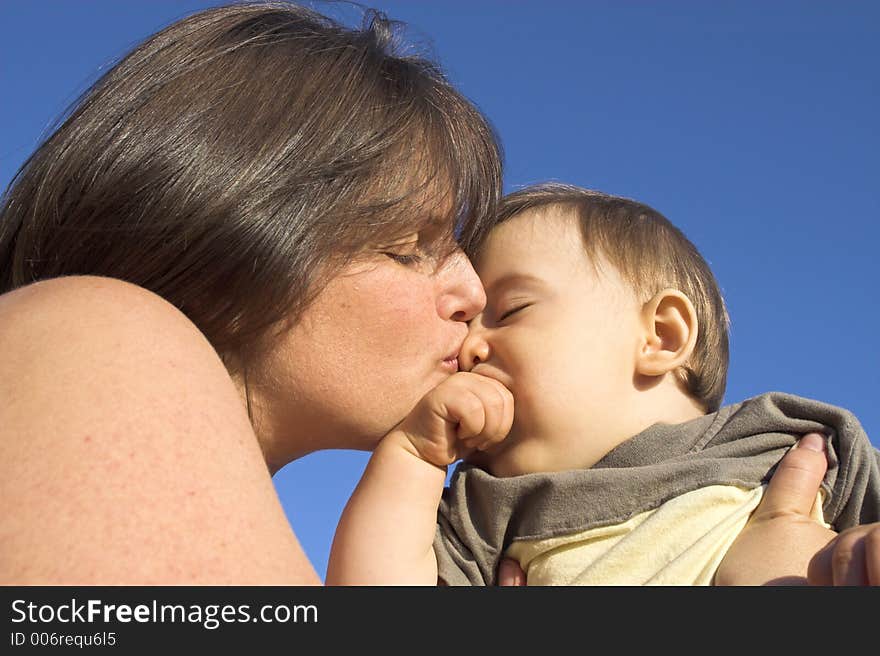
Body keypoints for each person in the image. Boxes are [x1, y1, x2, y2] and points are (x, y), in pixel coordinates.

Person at [0, 1, 870, 586]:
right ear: (235, 225)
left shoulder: (783, 446)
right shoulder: (91, 330)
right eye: (411, 247)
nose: (467, 299)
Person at [326, 183, 880, 586]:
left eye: (511, 309)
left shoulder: (784, 443)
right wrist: (415, 457)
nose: (469, 347)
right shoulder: (484, 508)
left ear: (661, 336)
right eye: (468, 326)